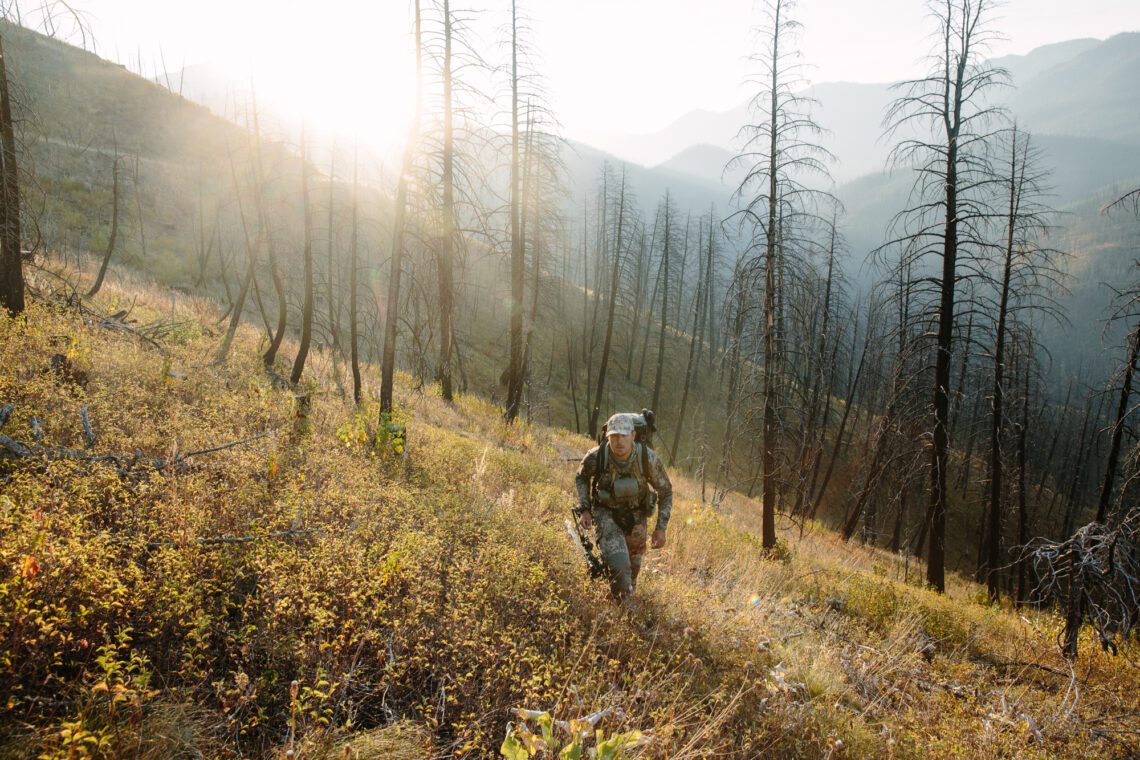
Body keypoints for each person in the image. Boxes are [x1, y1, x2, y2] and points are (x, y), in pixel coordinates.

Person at [574, 413, 673, 600]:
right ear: (607, 436)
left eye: (624, 435)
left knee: (632, 572)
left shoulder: (647, 459)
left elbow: (666, 491)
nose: (619, 441)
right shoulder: (597, 456)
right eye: (614, 436)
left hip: (637, 516)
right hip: (606, 513)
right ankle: (621, 606)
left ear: (633, 435)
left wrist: (661, 528)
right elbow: (581, 477)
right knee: (620, 566)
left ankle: (620, 603)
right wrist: (585, 508)